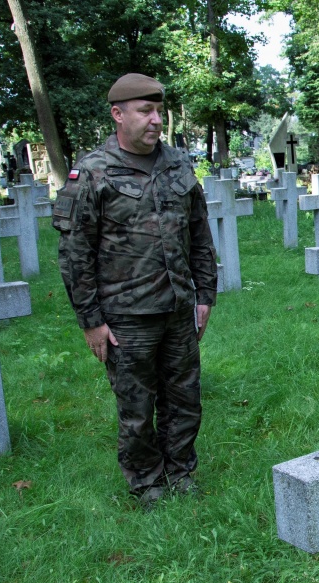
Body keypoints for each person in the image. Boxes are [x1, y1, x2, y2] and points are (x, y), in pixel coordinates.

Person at [52, 73, 218, 508]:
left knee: (185, 397)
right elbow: (75, 254)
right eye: (145, 111)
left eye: (158, 111)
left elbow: (199, 234)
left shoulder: (179, 164)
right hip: (126, 315)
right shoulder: (91, 173)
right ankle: (147, 481)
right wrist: (91, 321)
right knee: (137, 406)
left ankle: (181, 471)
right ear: (118, 114)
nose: (156, 120)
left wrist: (205, 295)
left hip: (178, 306)